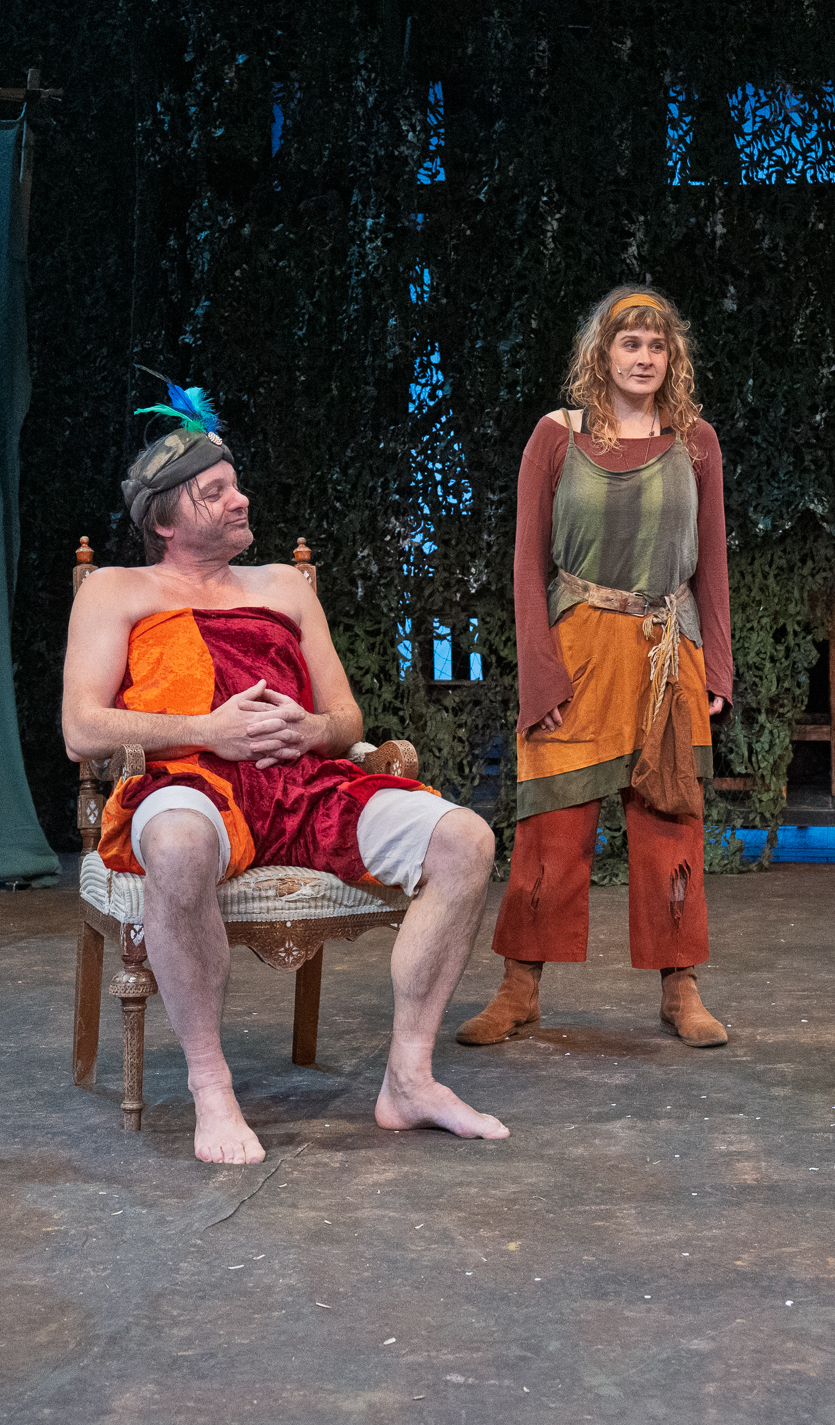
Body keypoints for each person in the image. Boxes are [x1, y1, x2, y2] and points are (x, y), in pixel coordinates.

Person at [64, 414, 506, 1162]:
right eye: (214, 492)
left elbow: (347, 720)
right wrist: (210, 730)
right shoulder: (116, 589)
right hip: (190, 779)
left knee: (466, 839)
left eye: (235, 485)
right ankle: (212, 1089)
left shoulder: (283, 586)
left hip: (304, 784)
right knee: (176, 844)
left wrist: (311, 728)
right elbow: (82, 728)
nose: (240, 499)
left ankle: (410, 1080)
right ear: (165, 520)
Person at [455, 286, 735, 1049]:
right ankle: (519, 988)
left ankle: (680, 988)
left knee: (671, 822)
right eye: (629, 343)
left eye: (656, 345)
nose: (643, 357)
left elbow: (711, 562)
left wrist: (716, 665)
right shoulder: (557, 436)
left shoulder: (695, 441)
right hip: (577, 648)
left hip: (666, 652)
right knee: (550, 823)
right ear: (602, 354)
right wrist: (539, 673)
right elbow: (526, 565)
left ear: (671, 357)